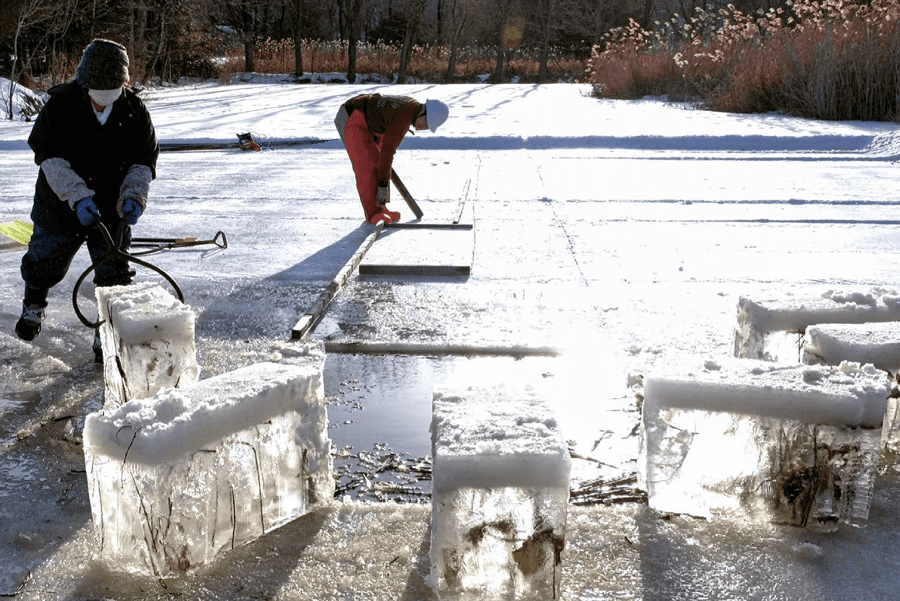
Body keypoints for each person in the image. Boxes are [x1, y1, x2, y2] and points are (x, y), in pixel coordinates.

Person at [15, 38, 159, 360]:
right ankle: (33, 306)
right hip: (60, 203)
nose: (99, 105)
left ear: (122, 85)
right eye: (95, 98)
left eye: (107, 98)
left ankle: (105, 331)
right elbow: (50, 158)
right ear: (84, 84)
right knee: (43, 261)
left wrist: (134, 195)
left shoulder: (136, 112)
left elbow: (143, 160)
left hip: (110, 207)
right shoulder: (61, 105)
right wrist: (78, 197)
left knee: (114, 272)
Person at [334, 93, 449, 224]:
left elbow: (386, 152)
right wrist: (382, 185)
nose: (423, 128)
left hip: (369, 121)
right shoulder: (404, 117)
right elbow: (387, 152)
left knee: (382, 164)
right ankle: (373, 214)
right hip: (353, 117)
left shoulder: (411, 107)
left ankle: (381, 208)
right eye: (426, 124)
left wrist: (383, 177)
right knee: (367, 166)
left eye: (428, 128)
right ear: (424, 112)